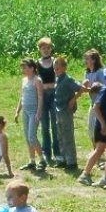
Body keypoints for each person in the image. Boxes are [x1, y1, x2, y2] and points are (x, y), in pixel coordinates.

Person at [77, 65, 106, 186]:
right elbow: (96, 108)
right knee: (99, 150)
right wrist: (103, 124)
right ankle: (85, 174)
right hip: (104, 127)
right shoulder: (105, 90)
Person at [14, 57, 46, 171]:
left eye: (25, 67)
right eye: (22, 67)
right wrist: (17, 111)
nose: (23, 69)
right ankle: (32, 161)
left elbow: (41, 97)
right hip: (25, 112)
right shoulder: (24, 80)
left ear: (32, 68)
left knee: (32, 137)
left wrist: (38, 113)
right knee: (27, 138)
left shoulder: (37, 80)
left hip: (33, 112)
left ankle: (42, 160)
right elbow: (21, 97)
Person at [53, 55, 84, 170]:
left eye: (58, 67)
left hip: (66, 110)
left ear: (64, 68)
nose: (56, 69)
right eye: (55, 67)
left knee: (68, 136)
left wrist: (73, 99)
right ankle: (63, 159)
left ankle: (72, 162)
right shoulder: (57, 79)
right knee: (60, 135)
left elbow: (80, 88)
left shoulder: (68, 79)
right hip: (58, 110)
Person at [36, 37, 61, 165]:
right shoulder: (37, 63)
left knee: (55, 125)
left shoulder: (55, 61)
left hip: (54, 95)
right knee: (44, 126)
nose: (46, 50)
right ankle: (46, 152)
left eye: (48, 48)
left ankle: (58, 152)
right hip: (42, 96)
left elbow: (60, 77)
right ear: (40, 49)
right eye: (43, 48)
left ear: (51, 49)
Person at [82, 49, 106, 148]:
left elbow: (105, 87)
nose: (85, 61)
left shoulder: (100, 72)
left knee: (99, 129)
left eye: (87, 59)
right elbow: (85, 87)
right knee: (91, 129)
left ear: (94, 60)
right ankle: (96, 152)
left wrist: (91, 89)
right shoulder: (87, 73)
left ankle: (100, 154)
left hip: (100, 104)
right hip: (92, 104)